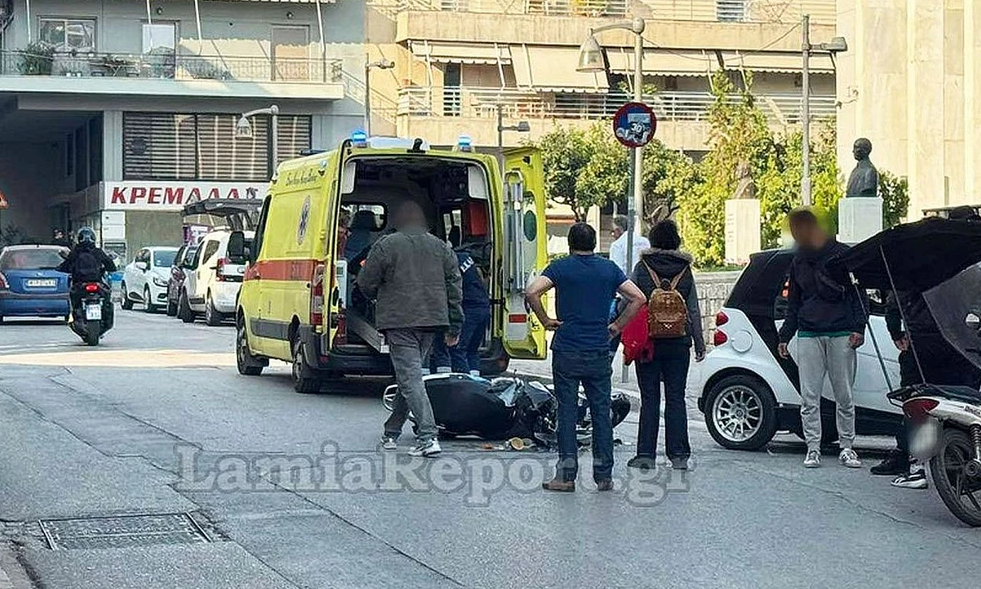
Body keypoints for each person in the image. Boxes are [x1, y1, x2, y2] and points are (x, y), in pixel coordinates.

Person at [526, 223, 646, 492]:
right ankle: (604, 476)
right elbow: (638, 298)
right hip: (598, 350)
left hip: (567, 349)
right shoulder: (608, 269)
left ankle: (566, 476)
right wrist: (617, 327)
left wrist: (545, 320)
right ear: (594, 244)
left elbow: (532, 292)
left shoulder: (560, 267)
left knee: (567, 412)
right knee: (601, 412)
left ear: (570, 244)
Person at [871, 205, 981, 487]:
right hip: (960, 343)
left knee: (918, 404)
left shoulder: (915, 264)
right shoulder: (967, 261)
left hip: (921, 343)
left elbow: (895, 302)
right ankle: (963, 461)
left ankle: (917, 467)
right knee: (963, 402)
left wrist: (896, 332)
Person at [357, 201, 463, 457]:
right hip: (432, 320)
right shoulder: (441, 247)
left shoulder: (386, 245)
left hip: (400, 320)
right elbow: (454, 286)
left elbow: (366, 281)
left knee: (410, 378)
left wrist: (376, 297)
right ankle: (391, 431)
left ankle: (428, 436)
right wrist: (455, 323)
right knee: (409, 377)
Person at [777, 209, 868, 469]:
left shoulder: (843, 256)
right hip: (808, 332)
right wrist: (785, 335)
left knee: (844, 395)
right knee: (809, 396)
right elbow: (794, 303)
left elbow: (858, 295)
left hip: (841, 331)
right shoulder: (798, 261)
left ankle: (847, 446)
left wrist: (858, 327)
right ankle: (813, 448)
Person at [627, 220, 706, 472]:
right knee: (676, 397)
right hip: (679, 343)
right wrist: (699, 342)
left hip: (648, 343)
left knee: (650, 398)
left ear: (652, 240)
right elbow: (693, 308)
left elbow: (629, 302)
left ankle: (645, 455)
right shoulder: (685, 269)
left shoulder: (642, 268)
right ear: (676, 240)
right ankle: (679, 454)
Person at [430, 245, 491, 375]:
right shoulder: (464, 257)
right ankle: (476, 382)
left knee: (454, 349)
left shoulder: (450, 262)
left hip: (468, 309)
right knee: (472, 351)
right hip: (483, 307)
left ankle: (454, 381)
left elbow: (451, 291)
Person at [57, 227, 116, 317]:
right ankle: (104, 315)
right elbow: (111, 266)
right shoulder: (98, 252)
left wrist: (59, 268)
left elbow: (65, 266)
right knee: (106, 297)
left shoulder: (75, 253)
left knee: (74, 299)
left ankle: (75, 316)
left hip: (80, 284)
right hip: (97, 283)